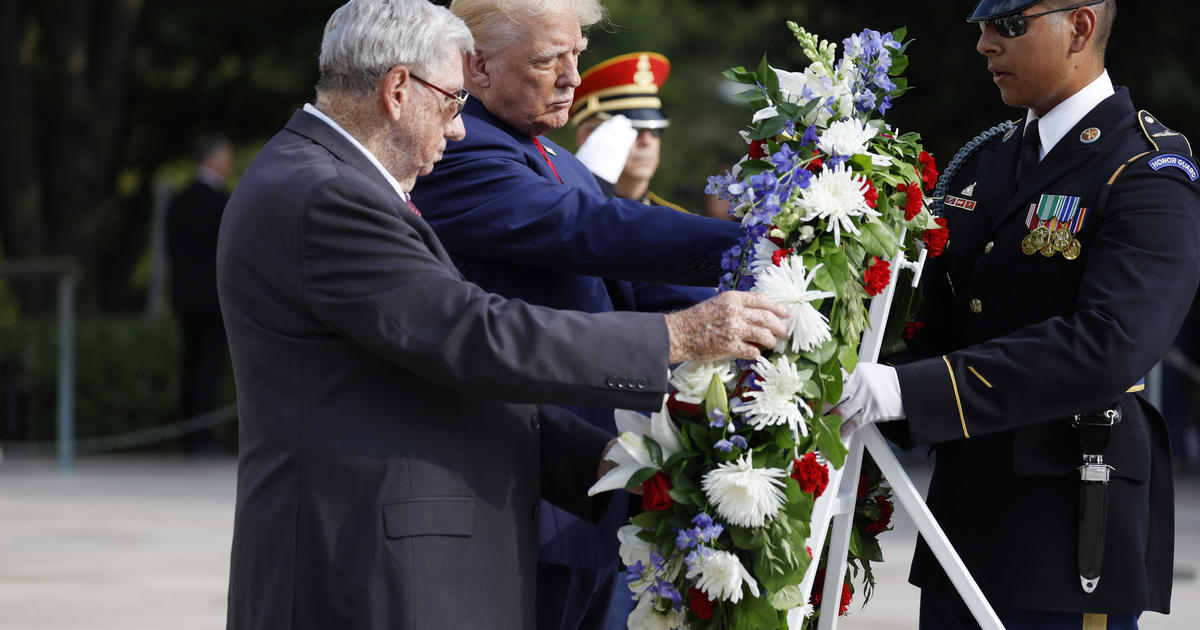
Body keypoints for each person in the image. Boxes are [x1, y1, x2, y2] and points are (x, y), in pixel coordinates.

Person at [216, 1, 787, 629]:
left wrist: (604, 461)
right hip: (366, 561)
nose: (459, 128)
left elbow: (433, 366)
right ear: (399, 89)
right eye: (454, 103)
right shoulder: (327, 193)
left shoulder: (336, 180)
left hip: (410, 546)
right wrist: (677, 336)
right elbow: (470, 334)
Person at [835, 1, 1199, 628]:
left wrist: (906, 389)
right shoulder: (988, 159)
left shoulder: (1146, 168)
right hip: (961, 527)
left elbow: (1108, 345)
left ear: (1079, 27)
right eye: (982, 26)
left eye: (1008, 25)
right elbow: (944, 322)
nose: (983, 44)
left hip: (1065, 535)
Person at [410, 3, 744, 629]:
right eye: (548, 60)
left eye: (576, 54)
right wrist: (752, 243)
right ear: (476, 67)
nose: (571, 77)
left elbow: (631, 290)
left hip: (593, 485)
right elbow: (592, 230)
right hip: (527, 489)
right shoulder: (462, 150)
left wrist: (768, 297)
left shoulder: (552, 155)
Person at [166, 135, 234, 454]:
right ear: (215, 159)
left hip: (184, 296)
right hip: (213, 297)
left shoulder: (178, 199)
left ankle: (187, 435)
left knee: (189, 365)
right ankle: (201, 437)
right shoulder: (222, 202)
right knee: (207, 367)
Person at [570, 51, 681, 210]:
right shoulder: (558, 206)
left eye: (655, 129)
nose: (647, 141)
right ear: (586, 137)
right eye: (633, 129)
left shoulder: (680, 222)